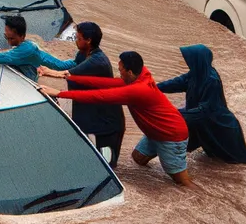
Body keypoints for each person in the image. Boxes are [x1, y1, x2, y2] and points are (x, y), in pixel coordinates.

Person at [40, 50, 192, 186]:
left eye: (120, 71)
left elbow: (99, 96)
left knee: (182, 182)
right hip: (155, 131)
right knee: (138, 158)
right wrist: (71, 77)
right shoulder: (140, 75)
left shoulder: (138, 89)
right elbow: (108, 83)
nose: (119, 74)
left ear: (130, 72)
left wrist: (59, 93)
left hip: (170, 135)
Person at [37, 22, 124, 163]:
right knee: (85, 153)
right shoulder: (84, 54)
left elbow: (66, 74)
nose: (76, 41)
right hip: (91, 114)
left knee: (107, 163)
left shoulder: (97, 61)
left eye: (78, 38)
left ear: (88, 40)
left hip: (108, 122)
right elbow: (67, 66)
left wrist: (47, 71)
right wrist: (44, 61)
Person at [155, 44, 246, 164]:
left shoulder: (212, 81)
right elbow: (176, 83)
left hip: (222, 130)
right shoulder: (195, 74)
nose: (188, 62)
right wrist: (153, 87)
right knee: (210, 162)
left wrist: (175, 114)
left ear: (198, 60)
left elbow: (204, 111)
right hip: (205, 126)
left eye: (190, 59)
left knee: (235, 166)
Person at [0, 14, 72, 82]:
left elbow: (1, 57)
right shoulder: (30, 45)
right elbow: (56, 64)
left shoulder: (26, 50)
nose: (9, 42)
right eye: (6, 37)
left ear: (22, 36)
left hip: (27, 83)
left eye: (12, 38)